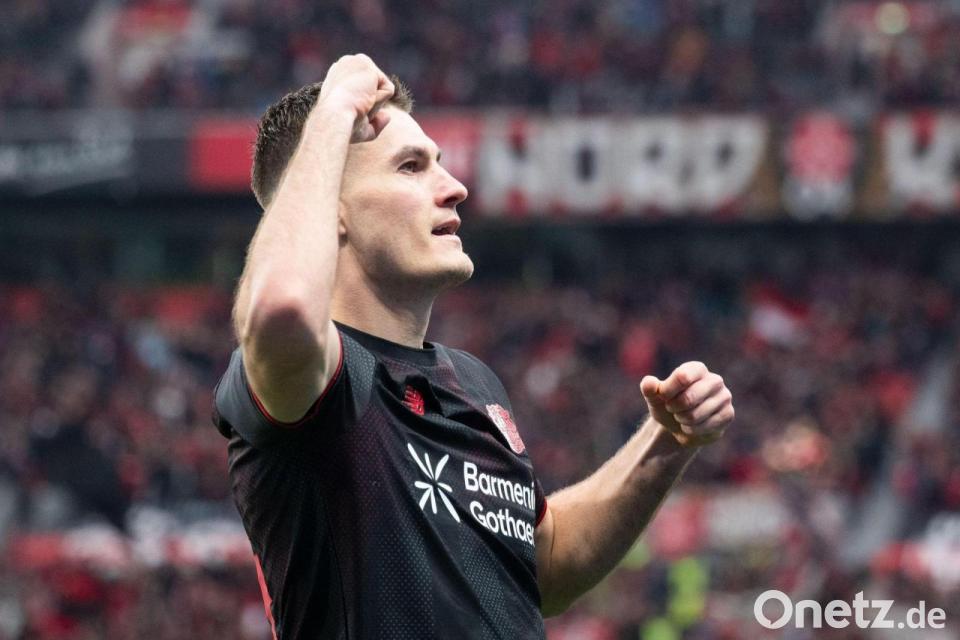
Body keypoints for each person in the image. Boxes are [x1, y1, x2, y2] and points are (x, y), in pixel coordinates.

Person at [212, 54, 735, 640]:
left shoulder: (471, 381)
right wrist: (333, 110)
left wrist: (666, 440)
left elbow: (545, 566)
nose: (455, 188)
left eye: (440, 164)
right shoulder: (316, 384)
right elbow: (282, 310)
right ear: (332, 209)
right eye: (411, 167)